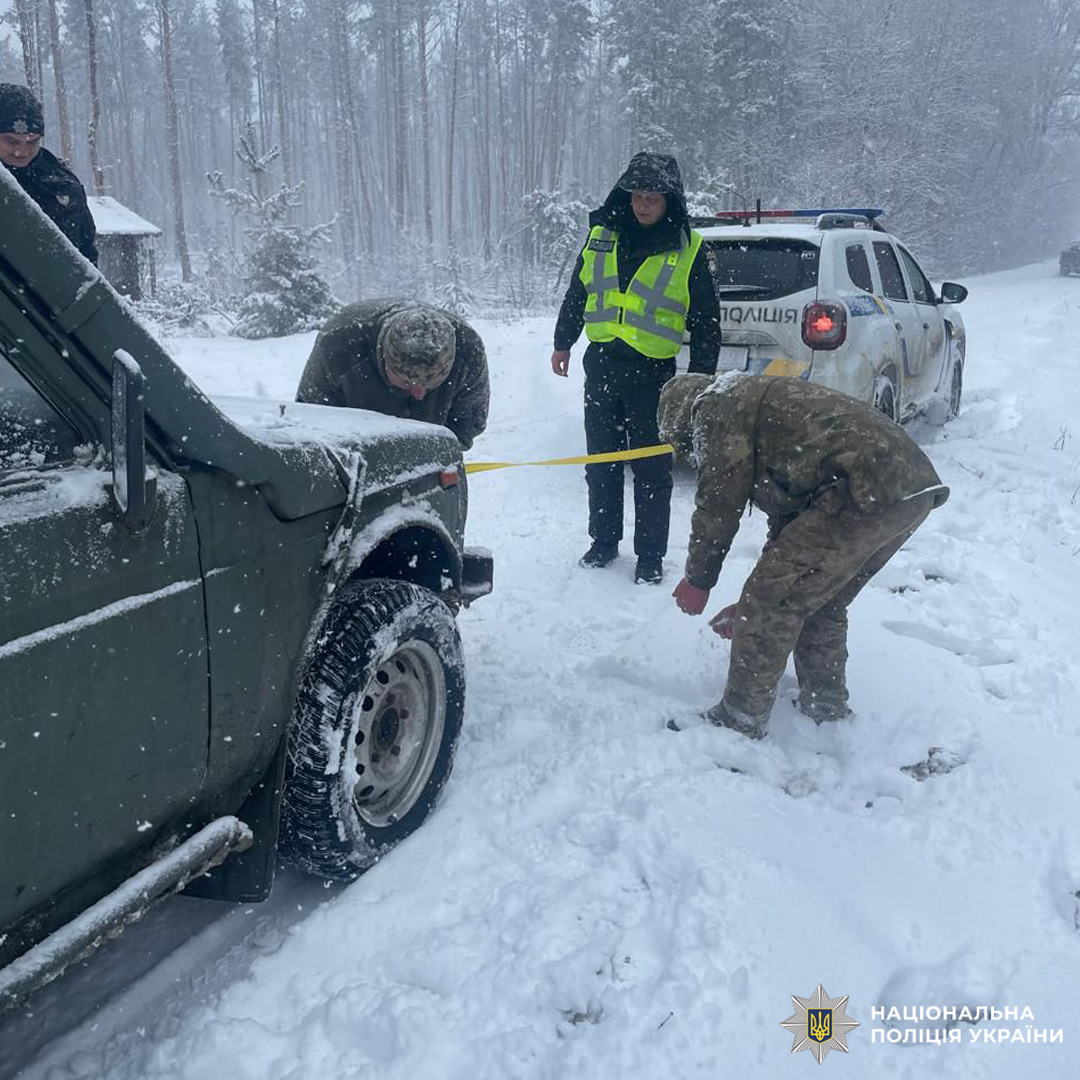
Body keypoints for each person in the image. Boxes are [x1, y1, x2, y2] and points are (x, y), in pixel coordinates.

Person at [659, 372, 950, 739]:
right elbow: (790, 523)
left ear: (685, 419)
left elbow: (719, 504)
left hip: (864, 487)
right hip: (910, 488)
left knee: (771, 601)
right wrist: (767, 587)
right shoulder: (755, 403)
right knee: (818, 599)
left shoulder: (719, 408)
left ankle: (740, 719)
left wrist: (699, 580)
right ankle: (825, 707)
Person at [551, 151, 721, 585]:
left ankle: (649, 556)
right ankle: (603, 542)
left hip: (652, 374)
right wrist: (562, 342)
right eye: (637, 195)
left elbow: (705, 320)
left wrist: (699, 380)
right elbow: (578, 291)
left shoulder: (689, 249)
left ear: (670, 201)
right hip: (603, 364)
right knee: (602, 461)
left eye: (653, 197)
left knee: (649, 466)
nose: (643, 204)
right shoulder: (601, 236)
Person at [296, 299, 490, 451]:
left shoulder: (468, 350)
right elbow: (311, 425)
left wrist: (431, 454)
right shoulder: (338, 347)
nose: (420, 394)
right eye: (408, 382)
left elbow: (465, 427)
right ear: (385, 359)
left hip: (433, 463)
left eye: (431, 386)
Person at [0, 83, 97, 265]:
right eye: (11, 141)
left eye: (32, 142)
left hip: (51, 292)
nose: (22, 151)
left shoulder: (64, 186)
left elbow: (86, 259)